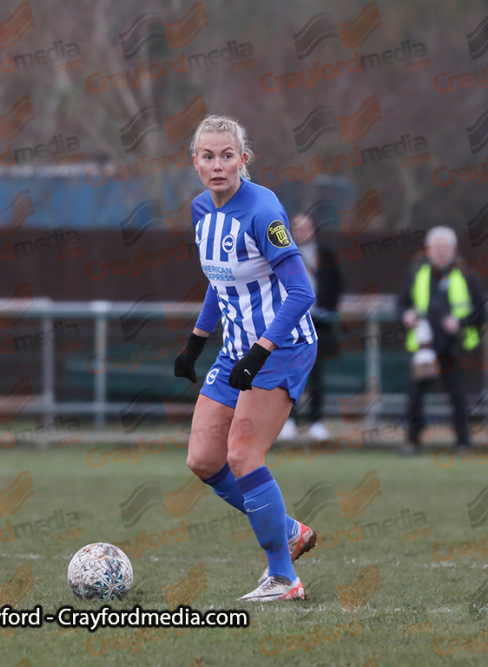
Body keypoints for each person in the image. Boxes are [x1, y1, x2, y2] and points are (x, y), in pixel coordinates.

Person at [173, 115, 318, 602]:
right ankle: (290, 530)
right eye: (208, 156)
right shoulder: (200, 210)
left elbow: (301, 293)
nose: (218, 165)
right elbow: (220, 282)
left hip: (283, 347)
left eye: (227, 155)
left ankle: (283, 577)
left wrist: (261, 352)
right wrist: (197, 339)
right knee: (204, 459)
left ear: (243, 160)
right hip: (237, 349)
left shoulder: (263, 210)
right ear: (195, 162)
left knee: (242, 455)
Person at [397, 227, 488, 454]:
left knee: (458, 396)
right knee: (416, 396)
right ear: (428, 250)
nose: (439, 252)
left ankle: (462, 442)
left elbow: (482, 309)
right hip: (424, 346)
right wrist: (406, 315)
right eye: (435, 247)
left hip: (454, 346)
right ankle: (412, 440)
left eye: (444, 247)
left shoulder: (466, 275)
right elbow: (400, 304)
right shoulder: (417, 273)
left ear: (453, 249)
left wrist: (461, 322)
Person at [279, 212, 343, 441]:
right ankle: (287, 421)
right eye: (297, 227)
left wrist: (327, 308)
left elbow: (336, 284)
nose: (302, 231)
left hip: (318, 323)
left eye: (306, 226)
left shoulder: (325, 253)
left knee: (316, 374)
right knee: (287, 373)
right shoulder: (282, 252)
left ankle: (316, 421)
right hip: (290, 322)